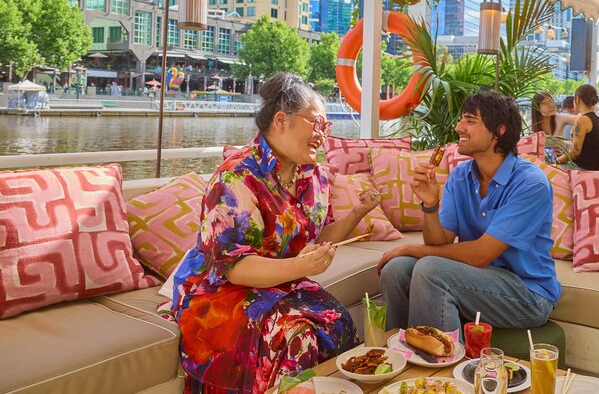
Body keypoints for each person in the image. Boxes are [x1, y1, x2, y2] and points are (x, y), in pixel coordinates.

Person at [169, 73, 377, 393]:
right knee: (295, 337)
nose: (323, 135)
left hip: (280, 281)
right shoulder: (237, 177)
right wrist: (301, 267)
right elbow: (234, 268)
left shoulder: (313, 177)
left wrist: (358, 212)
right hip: (224, 290)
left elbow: (319, 238)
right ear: (281, 120)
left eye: (327, 126)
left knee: (339, 323)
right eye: (316, 123)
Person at [378, 91, 560, 337]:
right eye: (461, 119)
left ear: (499, 131)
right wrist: (430, 205)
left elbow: (480, 255)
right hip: (476, 280)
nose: (458, 127)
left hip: (527, 294)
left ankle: (440, 365)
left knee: (430, 270)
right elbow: (439, 242)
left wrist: (409, 248)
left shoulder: (530, 184)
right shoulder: (461, 175)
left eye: (470, 121)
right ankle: (400, 354)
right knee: (396, 269)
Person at [556, 84, 599, 170]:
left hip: (585, 167)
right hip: (597, 163)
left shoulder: (583, 120)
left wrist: (557, 160)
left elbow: (575, 152)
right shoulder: (596, 119)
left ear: (577, 99)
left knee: (550, 168)